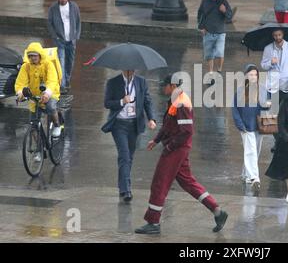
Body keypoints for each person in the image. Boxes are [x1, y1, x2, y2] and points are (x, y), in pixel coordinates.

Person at [135, 74, 228, 235]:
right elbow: (167, 126)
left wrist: (169, 147)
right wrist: (156, 140)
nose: (162, 88)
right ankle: (218, 212)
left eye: (164, 85)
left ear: (172, 85)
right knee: (188, 183)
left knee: (160, 182)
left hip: (176, 149)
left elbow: (186, 132)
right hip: (178, 148)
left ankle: (153, 222)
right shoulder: (175, 100)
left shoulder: (181, 104)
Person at [102, 70, 157, 203]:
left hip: (134, 124)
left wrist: (151, 118)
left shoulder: (141, 82)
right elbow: (107, 103)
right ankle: (126, 189)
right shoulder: (113, 82)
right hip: (119, 125)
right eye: (127, 68)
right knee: (124, 155)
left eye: (132, 68)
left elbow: (147, 101)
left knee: (129, 157)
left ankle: (122, 185)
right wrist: (121, 101)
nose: (129, 71)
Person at [232, 64, 269, 193]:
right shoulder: (241, 91)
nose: (253, 77)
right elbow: (235, 109)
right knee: (251, 151)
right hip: (246, 126)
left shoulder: (262, 89)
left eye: (255, 75)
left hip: (259, 126)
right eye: (251, 74)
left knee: (255, 152)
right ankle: (254, 178)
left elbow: (265, 106)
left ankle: (246, 174)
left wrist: (267, 104)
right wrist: (240, 125)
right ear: (246, 76)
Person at [15, 42, 61, 146]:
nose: (32, 58)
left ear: (39, 54)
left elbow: (52, 80)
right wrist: (20, 93)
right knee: (33, 125)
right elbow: (20, 82)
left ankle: (57, 125)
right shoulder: (25, 67)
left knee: (50, 107)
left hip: (51, 92)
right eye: (30, 56)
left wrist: (47, 93)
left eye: (34, 55)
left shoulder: (48, 64)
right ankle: (39, 149)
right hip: (34, 96)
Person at [47, 0, 81, 94]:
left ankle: (67, 80)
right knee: (61, 62)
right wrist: (55, 37)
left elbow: (78, 21)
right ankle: (62, 85)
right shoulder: (53, 8)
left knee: (69, 63)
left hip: (71, 40)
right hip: (60, 40)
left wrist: (76, 36)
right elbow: (50, 23)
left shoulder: (73, 6)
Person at [260, 29, 288, 105]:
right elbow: (263, 65)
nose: (277, 37)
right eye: (275, 35)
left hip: (287, 85)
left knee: (286, 109)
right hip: (272, 85)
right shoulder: (268, 48)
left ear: (283, 35)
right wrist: (270, 62)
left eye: (279, 35)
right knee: (273, 110)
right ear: (273, 36)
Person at [197, 0, 232, 82]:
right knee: (209, 55)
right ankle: (210, 73)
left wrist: (224, 11)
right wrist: (201, 27)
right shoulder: (205, 0)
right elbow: (200, 14)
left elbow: (229, 16)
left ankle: (219, 70)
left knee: (219, 53)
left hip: (220, 32)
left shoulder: (223, 1)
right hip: (207, 31)